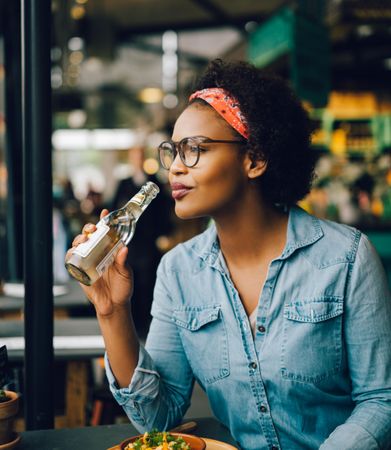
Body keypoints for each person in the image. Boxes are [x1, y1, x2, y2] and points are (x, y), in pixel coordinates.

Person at [67, 60, 391, 449]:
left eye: (195, 150)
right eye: (173, 151)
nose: (175, 169)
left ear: (254, 159)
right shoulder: (179, 270)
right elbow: (158, 415)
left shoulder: (347, 258)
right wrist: (112, 311)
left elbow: (381, 401)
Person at [111, 146, 173, 338]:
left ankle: (147, 325)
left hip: (148, 241)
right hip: (130, 242)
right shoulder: (124, 183)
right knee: (131, 281)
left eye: (139, 156)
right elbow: (114, 208)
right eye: (134, 157)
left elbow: (164, 210)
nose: (137, 160)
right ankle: (134, 324)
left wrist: (164, 233)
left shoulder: (154, 183)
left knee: (148, 282)